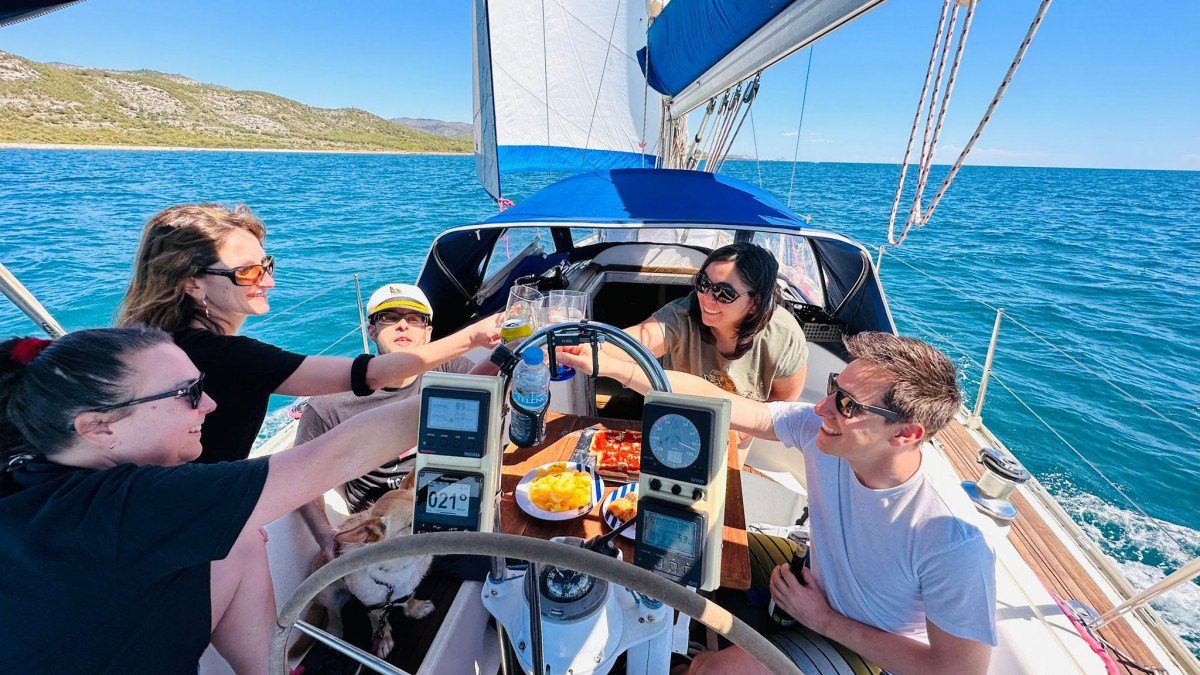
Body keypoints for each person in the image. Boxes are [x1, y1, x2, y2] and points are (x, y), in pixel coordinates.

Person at [558, 332, 997, 675]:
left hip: (864, 642)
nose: (822, 407)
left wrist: (823, 619)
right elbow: (728, 404)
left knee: (711, 671)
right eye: (832, 388)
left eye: (846, 405)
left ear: (906, 434)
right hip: (812, 580)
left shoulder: (950, 538)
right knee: (680, 549)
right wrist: (614, 366)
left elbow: (956, 669)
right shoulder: (826, 432)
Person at [0, 327, 432, 673]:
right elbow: (338, 453)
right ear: (99, 428)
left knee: (236, 534)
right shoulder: (131, 505)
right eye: (187, 393)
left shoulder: (31, 479)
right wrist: (462, 398)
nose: (209, 404)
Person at [117, 203, 500, 465]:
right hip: (195, 515)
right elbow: (370, 375)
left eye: (266, 264)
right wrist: (477, 335)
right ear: (193, 285)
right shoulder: (223, 356)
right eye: (247, 272)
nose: (269, 280)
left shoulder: (152, 342)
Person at [295, 282, 500, 562]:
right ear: (371, 331)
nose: (402, 325)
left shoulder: (454, 371)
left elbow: (504, 394)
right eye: (390, 318)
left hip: (448, 503)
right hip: (381, 525)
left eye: (414, 319)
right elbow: (303, 475)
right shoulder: (330, 401)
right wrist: (324, 535)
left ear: (428, 333)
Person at [621, 242, 808, 403]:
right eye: (703, 283)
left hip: (741, 428)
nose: (706, 298)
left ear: (755, 303)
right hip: (679, 416)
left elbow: (783, 401)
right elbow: (627, 345)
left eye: (724, 292)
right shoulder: (681, 316)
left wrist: (739, 432)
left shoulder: (784, 337)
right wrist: (598, 352)